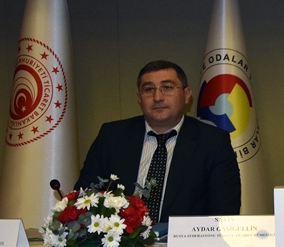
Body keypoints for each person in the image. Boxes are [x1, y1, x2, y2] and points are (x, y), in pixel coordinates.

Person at [75, 60, 241, 223]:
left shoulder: (213, 142)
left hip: (186, 240)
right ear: (139, 97)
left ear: (186, 94)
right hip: (121, 239)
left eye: (167, 87)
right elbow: (83, 199)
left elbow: (224, 212)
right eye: (149, 89)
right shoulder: (112, 136)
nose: (158, 97)